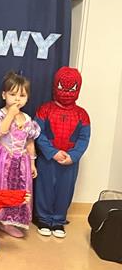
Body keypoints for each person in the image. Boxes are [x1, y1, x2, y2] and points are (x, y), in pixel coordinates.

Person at [0, 71, 40, 239]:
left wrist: (32, 163)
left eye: (22, 95)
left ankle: (6, 222)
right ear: (4, 95)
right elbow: (1, 131)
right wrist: (10, 114)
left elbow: (29, 142)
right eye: (13, 94)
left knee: (12, 191)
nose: (17, 99)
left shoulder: (27, 119)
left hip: (19, 162)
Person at [34, 67, 91, 238]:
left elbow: (84, 138)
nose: (66, 93)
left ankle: (59, 220)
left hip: (69, 161)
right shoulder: (44, 109)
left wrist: (73, 156)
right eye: (62, 87)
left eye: (71, 88)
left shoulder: (82, 114)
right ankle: (43, 219)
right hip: (47, 159)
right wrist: (52, 152)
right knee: (44, 188)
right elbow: (37, 133)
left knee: (65, 190)